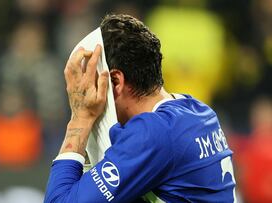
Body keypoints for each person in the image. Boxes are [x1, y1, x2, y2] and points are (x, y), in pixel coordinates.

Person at [44, 14, 236, 203]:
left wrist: (80, 117)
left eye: (91, 83)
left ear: (115, 81)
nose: (86, 93)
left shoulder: (153, 133)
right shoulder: (198, 111)